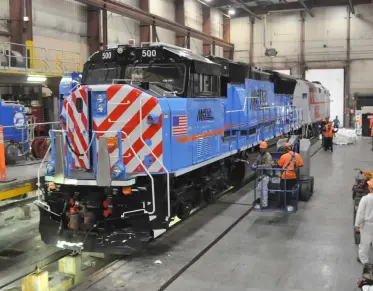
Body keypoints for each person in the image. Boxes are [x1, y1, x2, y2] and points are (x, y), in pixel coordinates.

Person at [277, 143, 303, 209]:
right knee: (289, 190)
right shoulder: (297, 155)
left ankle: (281, 205)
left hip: (284, 176)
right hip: (293, 177)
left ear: (286, 149)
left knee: (283, 190)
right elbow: (300, 165)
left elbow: (279, 165)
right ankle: (288, 204)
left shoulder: (283, 156)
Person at [355, 178, 373, 264]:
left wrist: (357, 224)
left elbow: (360, 213)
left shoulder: (365, 199)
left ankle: (364, 260)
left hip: (367, 225)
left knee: (364, 243)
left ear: (370, 187)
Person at [251, 141, 273, 208]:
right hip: (261, 175)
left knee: (263, 190)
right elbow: (256, 162)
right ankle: (262, 202)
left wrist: (258, 166)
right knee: (259, 189)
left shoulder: (268, 156)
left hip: (266, 175)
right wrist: (253, 165)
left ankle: (264, 205)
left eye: (262, 148)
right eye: (260, 148)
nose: (261, 149)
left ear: (265, 148)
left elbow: (268, 165)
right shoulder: (260, 155)